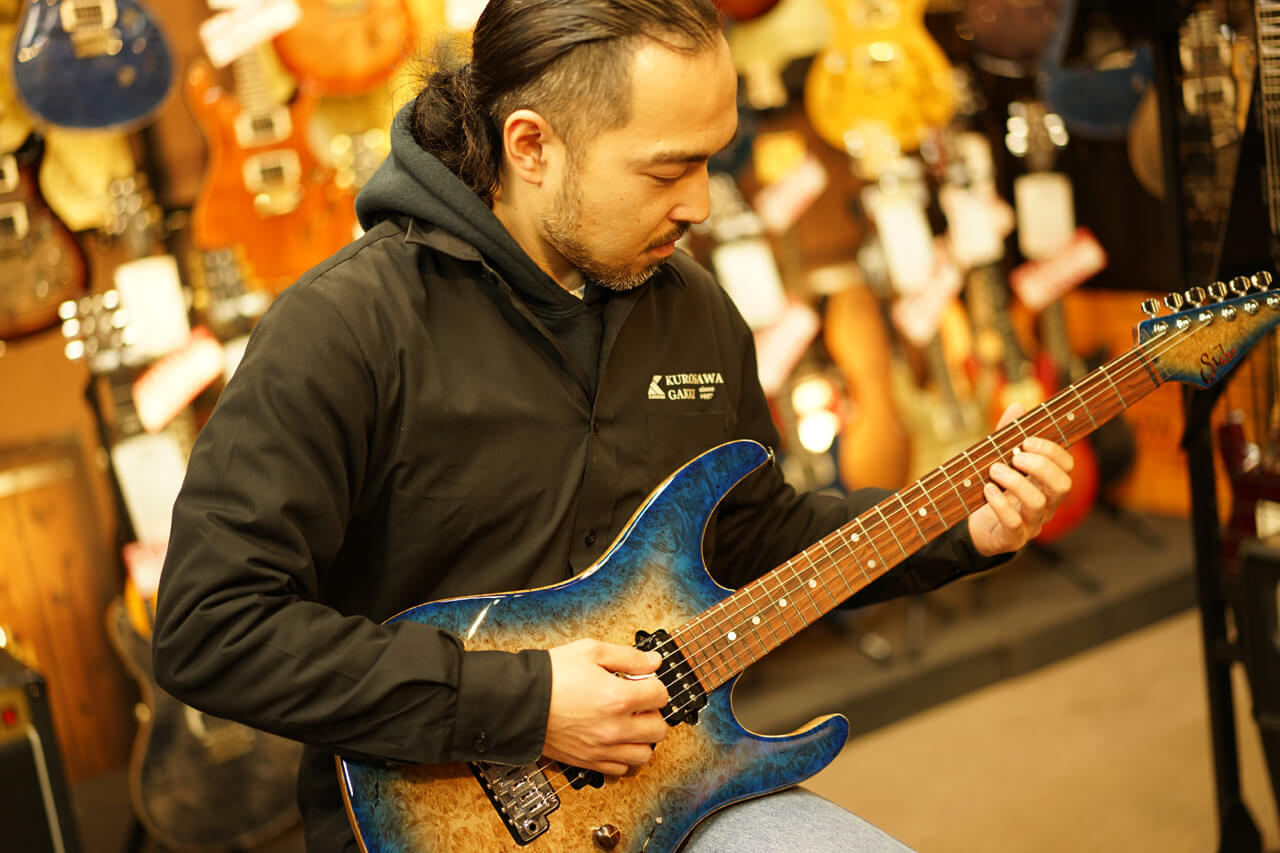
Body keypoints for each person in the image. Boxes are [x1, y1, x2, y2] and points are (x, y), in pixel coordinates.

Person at [152, 1, 1074, 850]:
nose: (700, 203)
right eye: (668, 168)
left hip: (680, 790)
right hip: (439, 821)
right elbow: (210, 627)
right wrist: (526, 703)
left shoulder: (694, 308)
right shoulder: (343, 328)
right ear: (531, 145)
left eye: (712, 159)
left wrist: (962, 526)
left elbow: (752, 540)